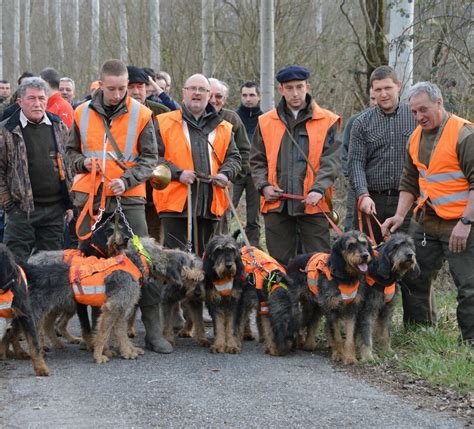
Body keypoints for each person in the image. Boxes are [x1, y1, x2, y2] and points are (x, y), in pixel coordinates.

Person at [66, 59, 172, 354]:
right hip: (91, 197)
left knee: (144, 260)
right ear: (100, 85)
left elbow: (151, 158)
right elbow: (69, 152)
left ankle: (153, 331)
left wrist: (127, 181)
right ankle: (90, 335)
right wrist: (82, 162)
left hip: (129, 197)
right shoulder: (80, 112)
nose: (117, 94)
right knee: (87, 264)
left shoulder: (143, 114)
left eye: (122, 88)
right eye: (111, 89)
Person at [382, 82, 474, 344]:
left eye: (424, 109)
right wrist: (400, 216)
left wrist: (466, 222)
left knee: (469, 286)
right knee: (413, 277)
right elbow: (410, 183)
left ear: (439, 102)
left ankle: (470, 342)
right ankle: (420, 335)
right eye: (414, 112)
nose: (419, 116)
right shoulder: (414, 138)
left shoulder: (464, 135)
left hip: (462, 223)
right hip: (427, 220)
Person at [250, 65, 341, 265]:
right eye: (289, 88)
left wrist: (318, 189)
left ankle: (319, 297)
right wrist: (264, 186)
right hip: (277, 205)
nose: (295, 93)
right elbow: (257, 160)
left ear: (308, 87)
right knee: (279, 264)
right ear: (281, 89)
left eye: (299, 87)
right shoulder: (265, 121)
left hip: (315, 205)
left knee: (320, 262)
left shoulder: (328, 120)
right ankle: (282, 296)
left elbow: (332, 161)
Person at [153, 73, 241, 256]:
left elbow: (234, 158)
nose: (197, 93)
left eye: (202, 89)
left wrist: (225, 174)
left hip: (210, 204)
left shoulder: (224, 127)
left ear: (209, 95)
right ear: (183, 93)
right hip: (175, 205)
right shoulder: (164, 122)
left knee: (205, 261)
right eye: (192, 88)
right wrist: (178, 173)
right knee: (176, 262)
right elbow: (153, 157)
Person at [0, 77, 73, 260]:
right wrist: (9, 205)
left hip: (55, 210)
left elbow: (69, 165)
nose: (37, 103)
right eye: (31, 99)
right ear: (20, 102)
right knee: (15, 266)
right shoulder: (6, 130)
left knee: (50, 269)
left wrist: (70, 203)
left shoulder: (58, 126)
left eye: (41, 98)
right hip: (21, 211)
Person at [348, 65, 417, 243]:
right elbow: (355, 163)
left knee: (406, 256)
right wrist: (363, 195)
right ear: (372, 91)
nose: (383, 94)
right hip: (372, 202)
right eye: (378, 90)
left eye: (388, 88)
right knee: (368, 257)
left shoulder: (416, 117)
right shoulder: (361, 123)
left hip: (407, 202)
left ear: (398, 86)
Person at [126, 65, 169, 243]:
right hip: (126, 188)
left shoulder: (161, 112)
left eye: (141, 87)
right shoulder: (116, 113)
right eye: (132, 87)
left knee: (153, 238)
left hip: (155, 188)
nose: (137, 91)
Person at [341, 90, 377, 231]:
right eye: (372, 98)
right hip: (356, 187)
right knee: (352, 227)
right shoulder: (356, 121)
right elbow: (345, 156)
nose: (375, 102)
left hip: (384, 189)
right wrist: (355, 181)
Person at [234, 81, 263, 246]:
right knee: (226, 212)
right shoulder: (233, 117)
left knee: (254, 217)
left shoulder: (264, 119)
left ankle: (254, 250)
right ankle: (223, 245)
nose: (248, 99)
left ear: (258, 97)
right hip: (236, 172)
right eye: (244, 95)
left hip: (256, 174)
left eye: (252, 95)